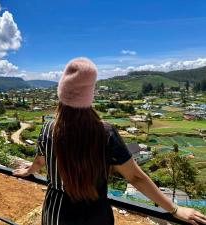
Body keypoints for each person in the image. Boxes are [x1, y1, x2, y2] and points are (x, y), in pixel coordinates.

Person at [13, 58, 206, 225]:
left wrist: (28, 171)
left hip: (55, 211)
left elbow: (40, 161)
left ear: (61, 92)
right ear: (90, 94)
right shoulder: (105, 133)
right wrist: (174, 210)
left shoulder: (48, 128)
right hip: (94, 215)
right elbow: (135, 177)